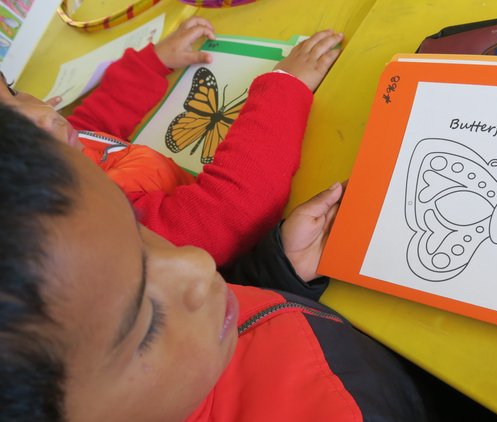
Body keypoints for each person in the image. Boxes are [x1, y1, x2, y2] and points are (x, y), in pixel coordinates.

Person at [0, 104, 430, 421]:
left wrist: (281, 271)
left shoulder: (191, 329)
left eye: (136, 230)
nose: (198, 264)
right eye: (146, 321)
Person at [0, 17, 344, 268]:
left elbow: (90, 125)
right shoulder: (97, 225)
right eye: (9, 131)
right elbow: (228, 212)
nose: (42, 113)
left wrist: (152, 63)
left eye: (12, 90)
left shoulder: (62, 150)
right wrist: (285, 86)